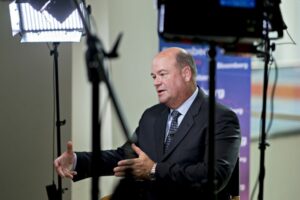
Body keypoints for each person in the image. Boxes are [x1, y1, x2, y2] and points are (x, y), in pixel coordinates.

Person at [54, 47, 241, 200]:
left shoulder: (221, 118)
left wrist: (154, 170)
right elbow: (125, 156)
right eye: (153, 77)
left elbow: (214, 177)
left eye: (162, 74)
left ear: (186, 74)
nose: (156, 82)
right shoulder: (151, 116)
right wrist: (78, 161)